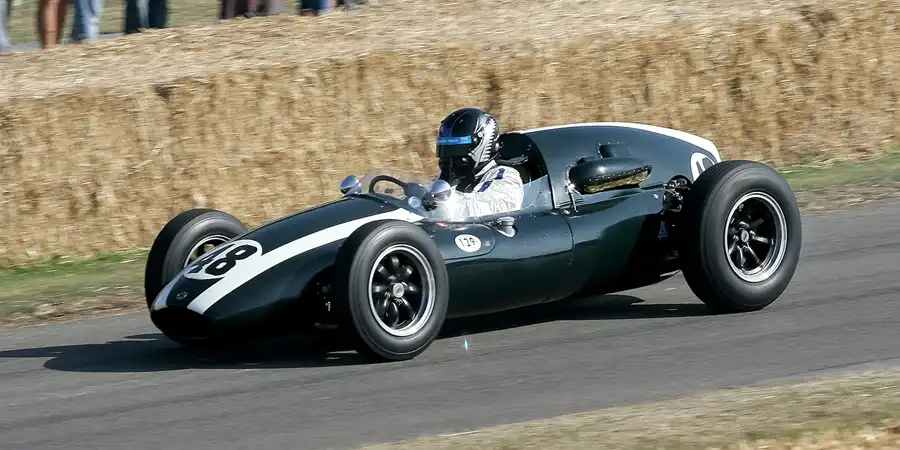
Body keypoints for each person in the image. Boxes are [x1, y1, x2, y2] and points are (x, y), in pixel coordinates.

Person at [430, 107, 524, 219]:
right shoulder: (449, 176)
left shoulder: (506, 177)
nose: (450, 156)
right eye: (446, 147)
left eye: (457, 147)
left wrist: (439, 201)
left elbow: (481, 210)